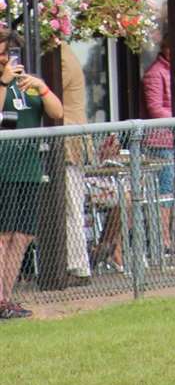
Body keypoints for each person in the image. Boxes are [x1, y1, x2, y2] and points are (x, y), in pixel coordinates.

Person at [0, 25, 64, 318]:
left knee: (22, 235)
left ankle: (6, 297)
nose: (6, 59)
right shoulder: (2, 83)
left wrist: (42, 87)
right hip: (3, 168)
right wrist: (3, 83)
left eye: (8, 53)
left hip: (28, 168)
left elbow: (56, 112)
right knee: (3, 234)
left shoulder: (26, 83)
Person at [60, 42, 91, 281]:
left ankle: (78, 265)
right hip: (69, 137)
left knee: (70, 206)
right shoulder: (66, 53)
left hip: (67, 139)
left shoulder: (60, 58)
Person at [140, 36, 174, 248]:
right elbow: (155, 109)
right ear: (165, 48)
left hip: (173, 141)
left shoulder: (173, 71)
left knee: (171, 192)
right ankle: (163, 240)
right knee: (164, 192)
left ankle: (169, 237)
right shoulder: (155, 73)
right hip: (159, 143)